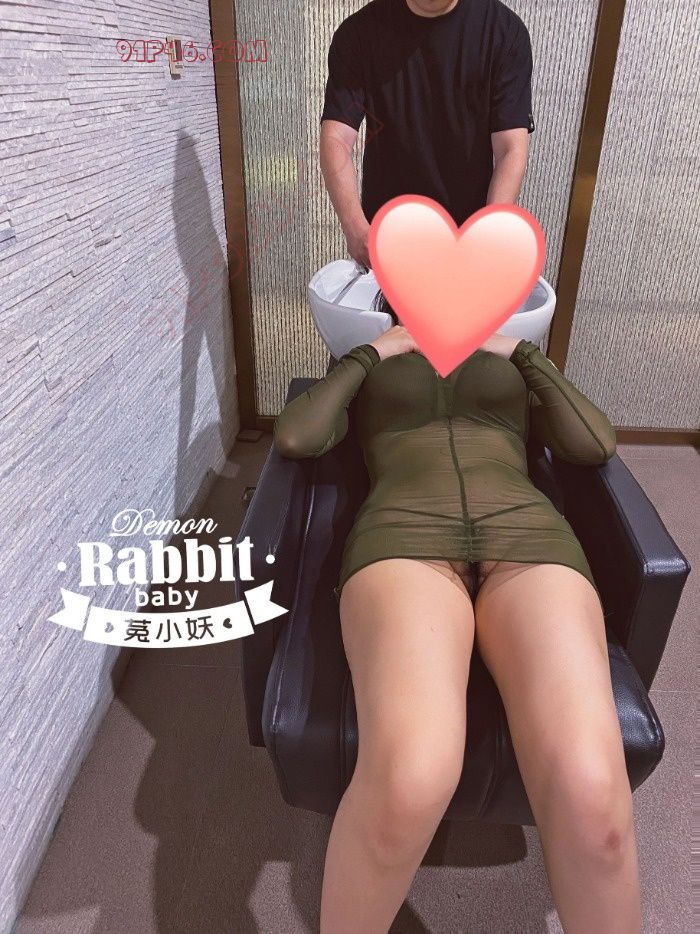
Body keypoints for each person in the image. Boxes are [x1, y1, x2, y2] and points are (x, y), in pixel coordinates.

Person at [272, 312, 642, 933]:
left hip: (530, 535)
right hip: (403, 536)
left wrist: (522, 353)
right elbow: (296, 436)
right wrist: (372, 352)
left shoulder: (510, 348)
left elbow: (593, 442)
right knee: (411, 778)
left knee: (593, 795)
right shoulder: (373, 347)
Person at [320, 0, 536, 268]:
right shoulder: (359, 33)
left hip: (467, 238)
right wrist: (355, 227)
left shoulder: (503, 32)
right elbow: (337, 138)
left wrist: (488, 232)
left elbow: (510, 149)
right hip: (387, 238)